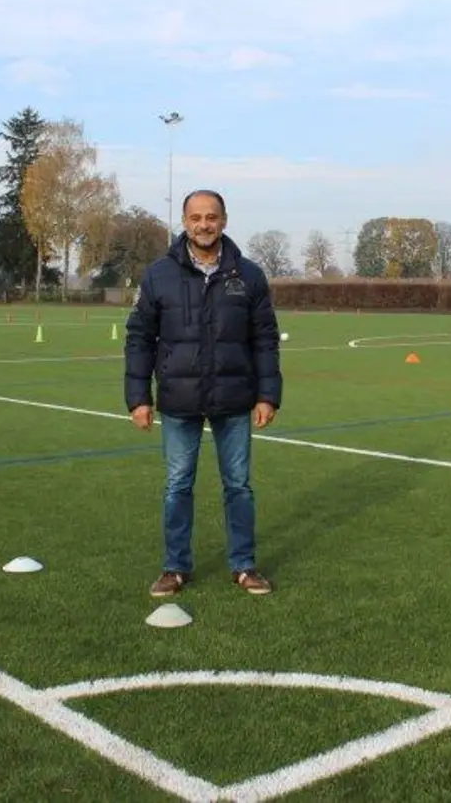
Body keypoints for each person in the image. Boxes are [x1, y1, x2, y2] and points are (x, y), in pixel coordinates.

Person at [123, 188, 282, 598]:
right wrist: (138, 397)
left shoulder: (248, 275)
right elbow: (139, 337)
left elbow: (265, 339)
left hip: (234, 399)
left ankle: (244, 565)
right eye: (196, 218)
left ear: (224, 221)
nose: (204, 225)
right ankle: (175, 568)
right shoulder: (159, 274)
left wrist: (268, 395)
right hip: (179, 399)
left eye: (211, 217)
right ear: (184, 222)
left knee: (239, 486)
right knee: (177, 485)